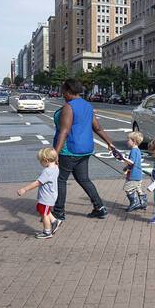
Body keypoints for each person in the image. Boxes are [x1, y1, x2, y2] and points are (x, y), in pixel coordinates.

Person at [52, 79, 116, 221]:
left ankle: (58, 212)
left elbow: (64, 131)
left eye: (63, 92)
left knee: (60, 179)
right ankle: (100, 207)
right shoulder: (87, 105)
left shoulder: (69, 107)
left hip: (69, 149)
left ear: (69, 91)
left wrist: (55, 152)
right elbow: (97, 127)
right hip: (85, 149)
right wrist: (109, 143)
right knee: (84, 179)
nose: (63, 94)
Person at [17, 148, 61, 239]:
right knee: (43, 209)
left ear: (46, 160)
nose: (40, 163)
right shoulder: (56, 167)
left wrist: (25, 189)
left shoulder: (47, 171)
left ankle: (47, 232)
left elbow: (37, 183)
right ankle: (54, 221)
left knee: (44, 214)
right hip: (51, 195)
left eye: (41, 161)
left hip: (47, 196)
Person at [122, 131, 148, 212]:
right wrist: (126, 168)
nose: (127, 141)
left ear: (133, 141)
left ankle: (134, 202)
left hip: (133, 175)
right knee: (138, 188)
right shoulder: (137, 150)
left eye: (128, 140)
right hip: (138, 174)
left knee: (127, 188)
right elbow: (135, 163)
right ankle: (143, 202)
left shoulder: (133, 150)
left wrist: (123, 158)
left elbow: (132, 162)